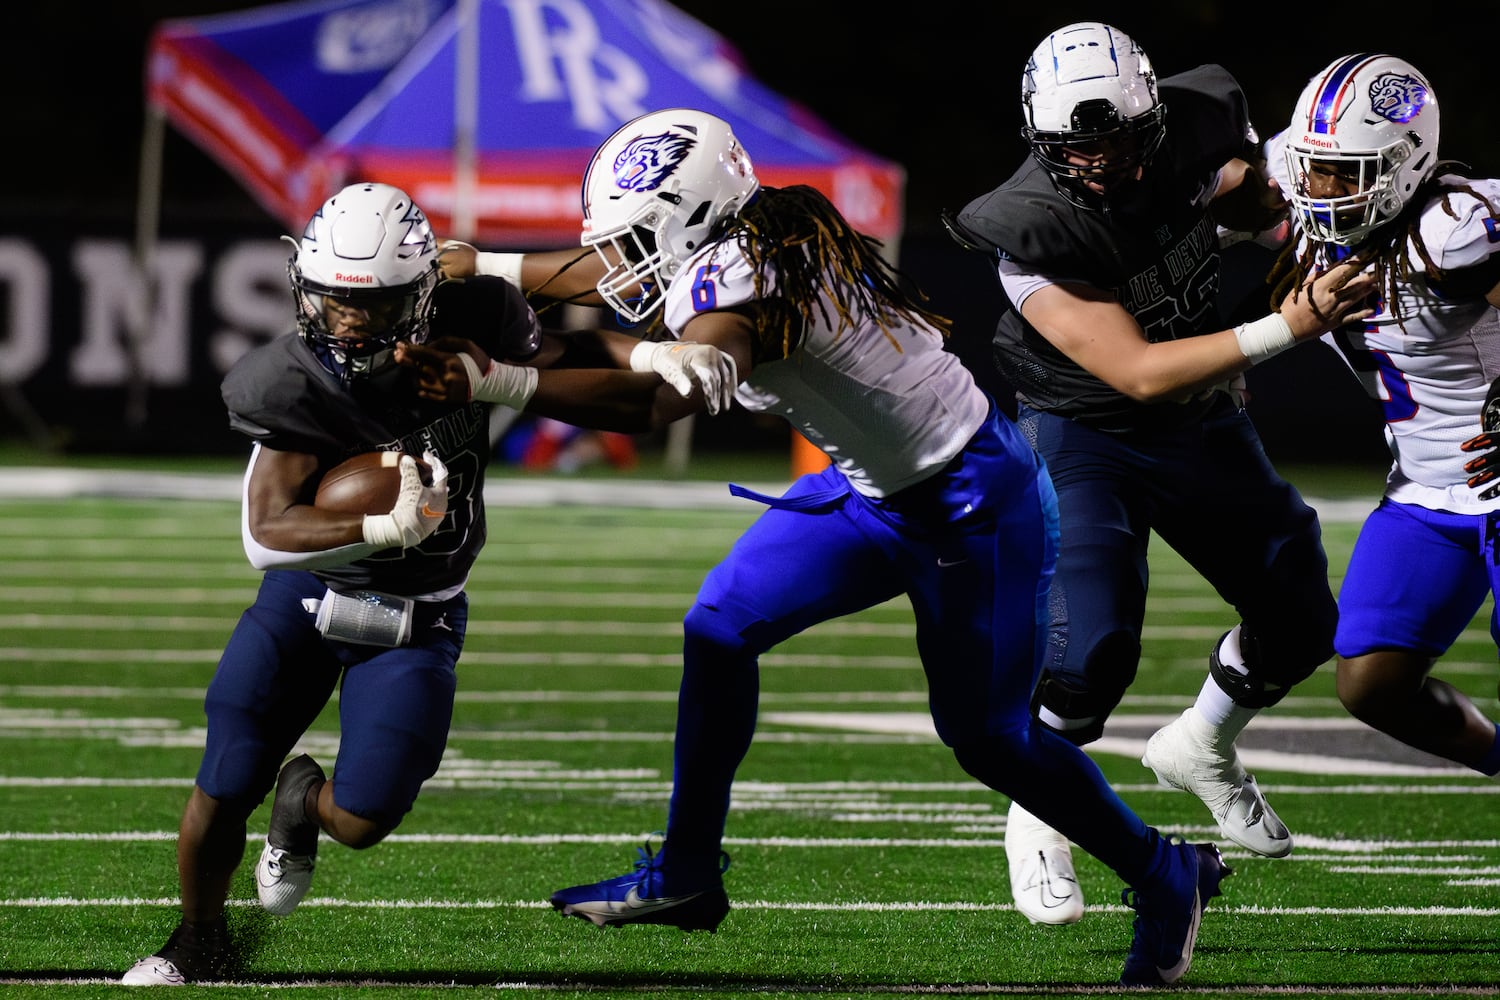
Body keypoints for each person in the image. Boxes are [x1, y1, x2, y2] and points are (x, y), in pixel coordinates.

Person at [403, 108, 1357, 986]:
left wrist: (499, 382)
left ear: (692, 218)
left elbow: (663, 399)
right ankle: (689, 871)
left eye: (631, 237)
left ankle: (1163, 872)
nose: (612, 260)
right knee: (719, 627)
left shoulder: (746, 279)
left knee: (988, 739)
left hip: (970, 503)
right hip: (873, 492)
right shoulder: (758, 222)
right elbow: (612, 276)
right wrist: (482, 262)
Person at [118, 180, 721, 986]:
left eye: (371, 304)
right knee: (227, 776)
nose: (348, 320)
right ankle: (196, 939)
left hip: (418, 612)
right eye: (332, 301)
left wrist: (653, 352)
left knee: (363, 819)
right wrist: (379, 526)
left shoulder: (476, 313)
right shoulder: (291, 376)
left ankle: (300, 799)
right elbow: (265, 533)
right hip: (306, 600)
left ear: (426, 293)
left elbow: (564, 357)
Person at [943, 21, 1375, 925]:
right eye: (1078, 147)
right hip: (1086, 428)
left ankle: (1201, 746)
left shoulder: (1195, 122)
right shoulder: (1032, 228)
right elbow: (1138, 370)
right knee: (1092, 650)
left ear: (1152, 120)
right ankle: (1036, 811)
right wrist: (1287, 326)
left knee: (1301, 617)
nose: (1099, 163)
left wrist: (1284, 232)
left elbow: (1241, 191)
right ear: (1041, 141)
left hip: (1198, 418)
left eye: (1118, 140)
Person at [1264, 56, 1500, 785]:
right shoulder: (1304, 206)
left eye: (1346, 172)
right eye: (1314, 169)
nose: (1321, 188)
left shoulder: (1453, 230)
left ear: (1406, 163)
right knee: (1370, 681)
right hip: (1425, 492)